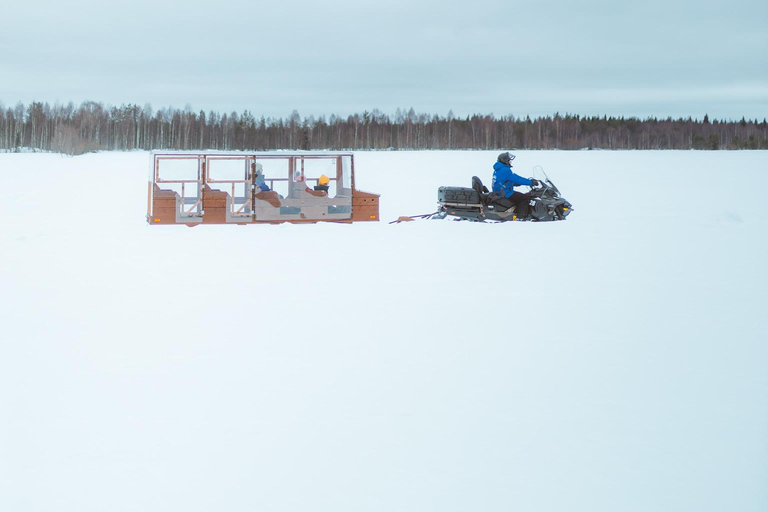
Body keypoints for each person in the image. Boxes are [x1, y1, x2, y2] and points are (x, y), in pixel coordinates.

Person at [491, 152, 540, 219]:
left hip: (500, 191)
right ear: (505, 160)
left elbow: (504, 181)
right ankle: (521, 217)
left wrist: (516, 183)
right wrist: (530, 182)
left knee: (522, 196)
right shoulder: (505, 170)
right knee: (523, 198)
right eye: (509, 160)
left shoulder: (499, 169)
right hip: (504, 193)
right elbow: (516, 178)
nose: (511, 162)